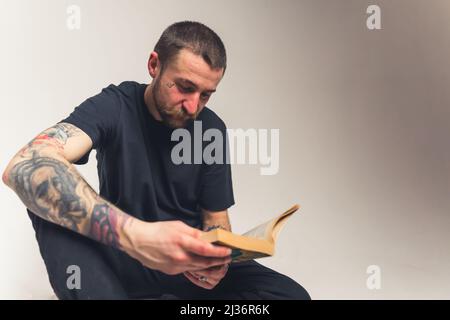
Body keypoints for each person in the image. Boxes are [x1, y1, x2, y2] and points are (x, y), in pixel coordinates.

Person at [2, 21, 310, 300]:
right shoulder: (115, 106)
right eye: (185, 88)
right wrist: (137, 235)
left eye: (205, 95)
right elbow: (25, 163)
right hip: (121, 256)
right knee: (47, 199)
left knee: (291, 296)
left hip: (184, 267)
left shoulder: (211, 129)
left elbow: (216, 219)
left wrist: (216, 260)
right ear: (154, 65)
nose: (193, 106)